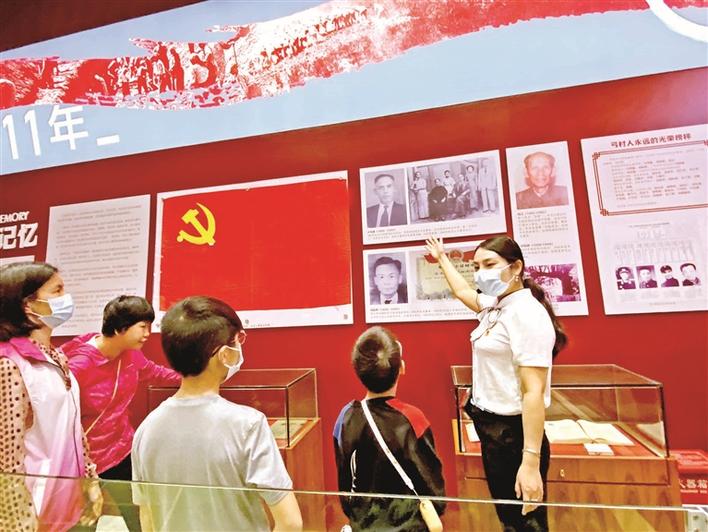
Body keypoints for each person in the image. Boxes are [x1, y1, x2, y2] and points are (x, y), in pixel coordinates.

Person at [425, 236, 567, 531]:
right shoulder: (497, 305)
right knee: (509, 517)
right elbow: (463, 291)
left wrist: (530, 462)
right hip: (493, 431)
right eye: (477, 267)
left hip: (514, 435)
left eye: (489, 264)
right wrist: (442, 258)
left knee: (525, 522)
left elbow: (533, 392)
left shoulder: (528, 315)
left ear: (516, 267)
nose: (481, 273)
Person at [131, 296, 302, 532]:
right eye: (237, 340)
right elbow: (290, 522)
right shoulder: (248, 425)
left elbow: (148, 517)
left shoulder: (146, 428)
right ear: (224, 354)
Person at [62, 295, 180, 530]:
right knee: (85, 522)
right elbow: (58, 416)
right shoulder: (80, 365)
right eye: (142, 327)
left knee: (139, 515)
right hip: (84, 460)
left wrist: (194, 378)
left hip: (121, 449)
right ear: (120, 328)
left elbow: (154, 372)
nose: (148, 333)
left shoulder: (130, 353)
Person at [0, 262, 101, 531]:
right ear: (28, 306)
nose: (66, 298)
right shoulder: (10, 364)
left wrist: (90, 479)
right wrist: (17, 522)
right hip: (36, 512)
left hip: (70, 503)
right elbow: (6, 456)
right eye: (57, 291)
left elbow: (73, 425)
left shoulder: (56, 356)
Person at [334, 326, 445, 531]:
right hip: (410, 526)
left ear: (357, 368)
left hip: (364, 524)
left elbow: (345, 483)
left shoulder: (345, 418)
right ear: (401, 367)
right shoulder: (413, 419)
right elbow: (433, 486)